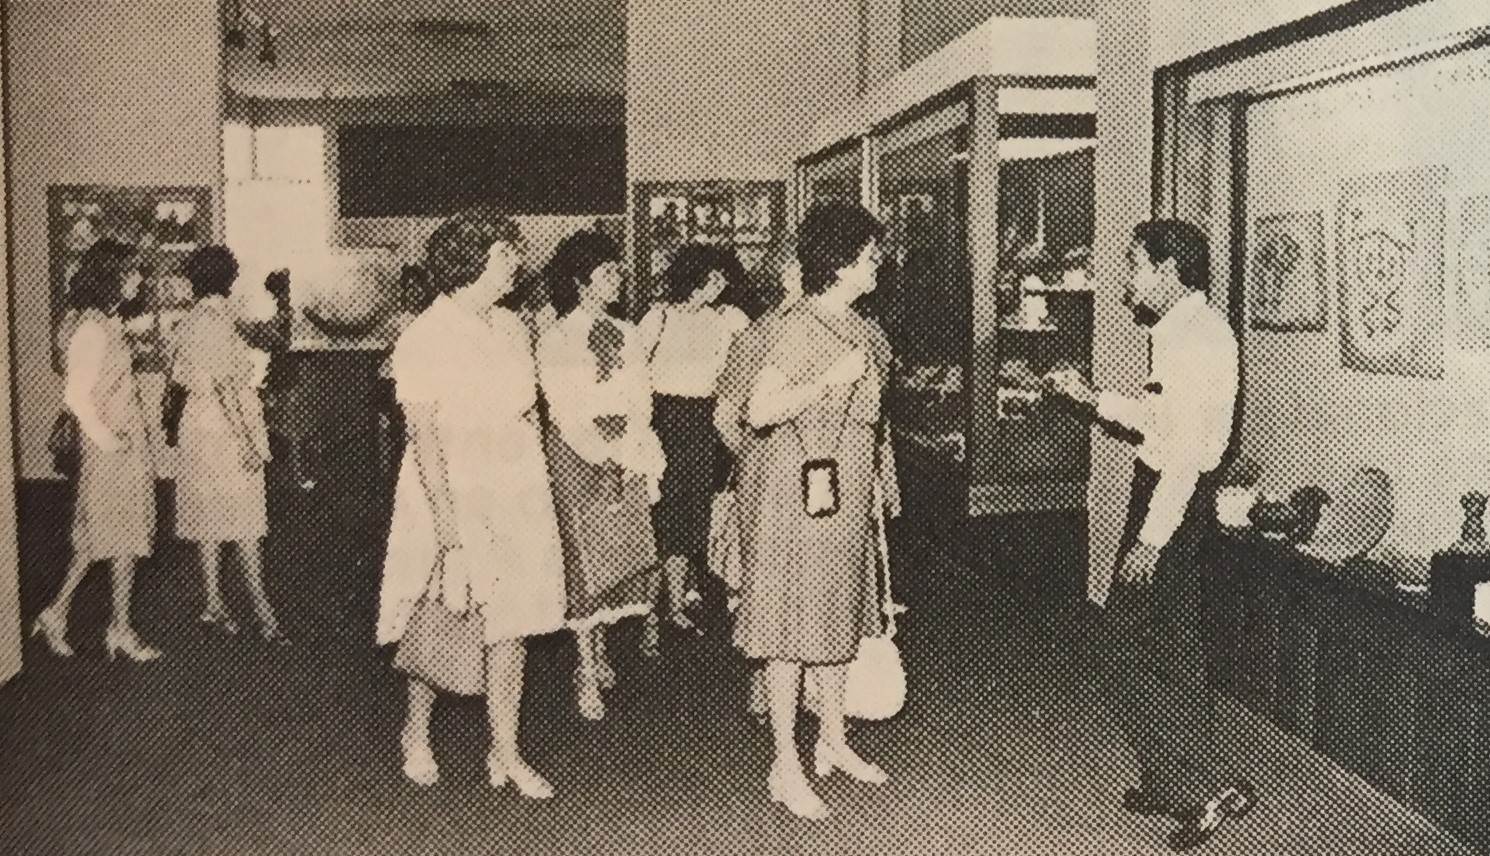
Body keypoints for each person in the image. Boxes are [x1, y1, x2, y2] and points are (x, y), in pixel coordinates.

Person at [1045, 219, 1254, 852]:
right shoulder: (1177, 331)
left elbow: (1187, 452)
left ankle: (1206, 788)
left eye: (1135, 264)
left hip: (1174, 503)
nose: (1127, 278)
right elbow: (1158, 420)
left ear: (1168, 270)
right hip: (1162, 491)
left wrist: (1152, 538)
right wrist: (1090, 398)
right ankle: (1171, 779)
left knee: (1143, 647)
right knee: (1155, 644)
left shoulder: (1198, 339)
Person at [377, 210, 567, 798]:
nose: (517, 264)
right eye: (507, 254)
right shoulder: (424, 337)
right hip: (452, 494)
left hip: (515, 488)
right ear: (473, 260)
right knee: (443, 616)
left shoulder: (513, 327)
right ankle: (415, 733)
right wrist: (450, 536)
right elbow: (427, 444)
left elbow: (528, 411)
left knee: (514, 621)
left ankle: (505, 751)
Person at [734, 201, 898, 820]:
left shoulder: (859, 325)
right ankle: (786, 763)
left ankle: (833, 738)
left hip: (845, 493)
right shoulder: (801, 326)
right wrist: (829, 381)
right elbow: (759, 409)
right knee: (789, 628)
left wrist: (880, 478)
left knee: (836, 617)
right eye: (869, 255)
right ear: (843, 261)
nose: (877, 264)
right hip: (797, 496)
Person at [538, 230, 663, 720]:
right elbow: (564, 409)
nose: (618, 279)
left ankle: (603, 646)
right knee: (582, 556)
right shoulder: (556, 338)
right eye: (608, 272)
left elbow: (641, 400)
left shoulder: (629, 333)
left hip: (624, 449)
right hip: (575, 454)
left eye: (617, 271)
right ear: (580, 281)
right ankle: (586, 668)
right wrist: (599, 452)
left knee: (616, 548)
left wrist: (628, 449)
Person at [32, 238, 161, 662]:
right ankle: (102, 623)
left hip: (124, 446)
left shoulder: (105, 322)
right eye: (131, 272)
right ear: (111, 277)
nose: (138, 279)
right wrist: (109, 442)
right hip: (110, 449)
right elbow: (76, 396)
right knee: (112, 533)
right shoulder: (91, 327)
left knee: (110, 537)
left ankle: (99, 623)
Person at [172, 246, 287, 645]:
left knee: (209, 516)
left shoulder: (192, 320)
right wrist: (247, 442)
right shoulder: (218, 322)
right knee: (246, 519)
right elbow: (225, 388)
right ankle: (264, 614)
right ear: (229, 278)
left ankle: (214, 602)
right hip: (224, 428)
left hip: (197, 425)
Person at [637, 244, 749, 646]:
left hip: (708, 422)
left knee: (702, 509)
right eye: (714, 277)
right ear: (695, 277)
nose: (720, 285)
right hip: (665, 421)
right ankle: (665, 603)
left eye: (724, 278)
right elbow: (636, 372)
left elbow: (743, 364)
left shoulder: (725, 320)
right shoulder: (659, 317)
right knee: (666, 511)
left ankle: (691, 594)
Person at [714, 251, 804, 720]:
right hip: (769, 485)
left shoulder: (835, 327)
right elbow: (725, 415)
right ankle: (761, 679)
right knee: (763, 583)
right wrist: (757, 459)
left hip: (821, 483)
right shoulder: (756, 335)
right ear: (785, 275)